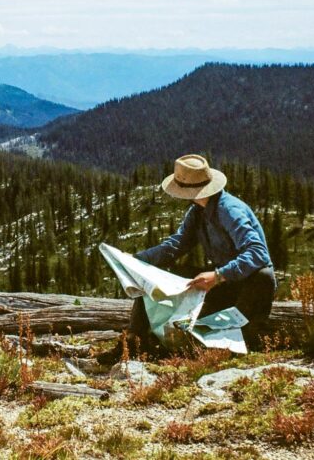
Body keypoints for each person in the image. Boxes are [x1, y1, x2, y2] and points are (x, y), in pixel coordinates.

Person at [97, 154, 276, 365]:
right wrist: (137, 260)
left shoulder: (229, 210)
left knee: (242, 337)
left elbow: (258, 253)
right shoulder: (198, 211)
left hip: (249, 284)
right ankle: (134, 341)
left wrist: (218, 276)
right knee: (155, 277)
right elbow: (176, 245)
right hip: (225, 281)